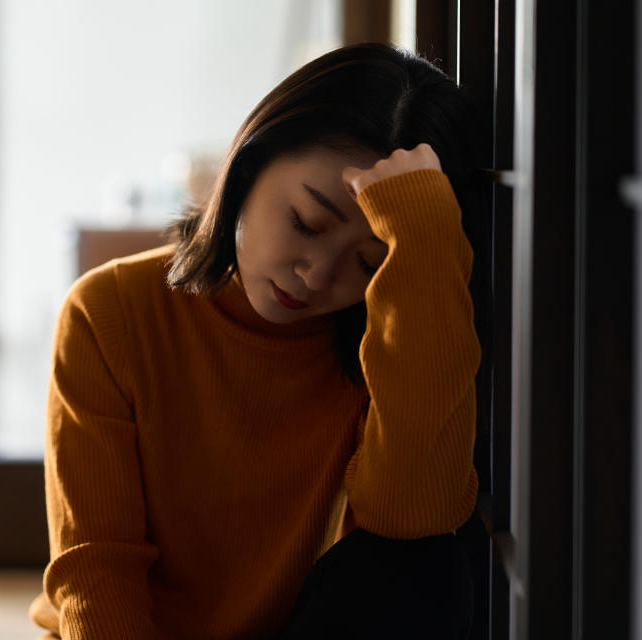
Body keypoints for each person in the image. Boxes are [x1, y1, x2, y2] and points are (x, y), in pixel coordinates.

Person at [28, 42, 485, 639]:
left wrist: (424, 244)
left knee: (428, 565)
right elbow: (97, 567)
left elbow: (415, 515)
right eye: (306, 222)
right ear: (250, 161)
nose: (317, 275)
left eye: (369, 263)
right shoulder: (111, 311)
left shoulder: (393, 331)